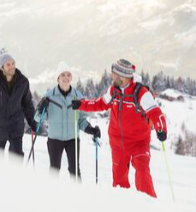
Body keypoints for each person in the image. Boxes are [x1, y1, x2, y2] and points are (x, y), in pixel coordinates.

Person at [71, 59, 167, 197]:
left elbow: (155, 112)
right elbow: (100, 104)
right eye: (112, 74)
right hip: (117, 143)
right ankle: (122, 205)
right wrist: (81, 104)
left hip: (139, 142)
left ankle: (149, 205)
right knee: (119, 180)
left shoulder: (141, 92)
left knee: (142, 173)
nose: (112, 76)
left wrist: (161, 128)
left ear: (125, 76)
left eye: (115, 74)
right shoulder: (113, 91)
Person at [35, 62, 101, 180]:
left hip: (73, 139)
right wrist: (41, 108)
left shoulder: (78, 96)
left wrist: (90, 129)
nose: (66, 78)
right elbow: (38, 119)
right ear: (58, 78)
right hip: (55, 139)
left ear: (71, 78)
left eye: (68, 75)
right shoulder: (49, 96)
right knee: (54, 169)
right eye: (63, 75)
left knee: (74, 170)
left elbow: (81, 120)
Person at [0, 53, 37, 156]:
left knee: (16, 158)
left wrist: (32, 121)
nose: (12, 66)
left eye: (13, 63)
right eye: (8, 64)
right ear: (2, 67)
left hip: (15, 127)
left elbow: (27, 103)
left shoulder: (22, 82)